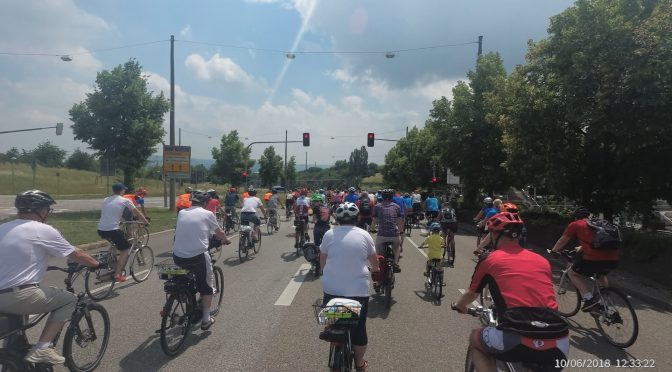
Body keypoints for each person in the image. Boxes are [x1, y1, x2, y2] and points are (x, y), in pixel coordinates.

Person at [454, 212, 569, 371]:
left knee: (475, 339)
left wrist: (460, 306)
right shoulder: (542, 261)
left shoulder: (490, 259)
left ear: (495, 234)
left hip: (517, 336)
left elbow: (471, 294)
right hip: (559, 342)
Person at [0, 190, 101, 365]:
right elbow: (75, 254)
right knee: (69, 300)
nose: (48, 213)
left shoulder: (3, 227)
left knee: (18, 326)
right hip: (16, 296)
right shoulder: (42, 230)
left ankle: (15, 351)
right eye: (47, 209)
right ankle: (43, 349)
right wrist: (96, 264)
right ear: (40, 210)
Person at [319, 202, 379, 372]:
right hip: (358, 292)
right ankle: (359, 364)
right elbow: (374, 263)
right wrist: (374, 270)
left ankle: (333, 330)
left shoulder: (329, 234)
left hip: (332, 289)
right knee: (359, 329)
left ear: (336, 218)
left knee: (334, 322)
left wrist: (327, 272)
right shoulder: (364, 235)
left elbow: (322, 261)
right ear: (358, 218)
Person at [173, 190, 231, 331]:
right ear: (205, 203)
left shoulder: (182, 213)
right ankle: (206, 319)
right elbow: (219, 233)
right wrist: (225, 240)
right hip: (197, 256)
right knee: (207, 287)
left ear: (192, 202)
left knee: (184, 278)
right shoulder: (208, 214)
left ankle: (183, 293)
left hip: (178, 255)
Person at [551, 207, 619, 312]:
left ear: (575, 217)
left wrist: (554, 251)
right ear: (587, 216)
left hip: (593, 260)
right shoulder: (596, 225)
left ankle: (589, 300)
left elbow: (563, 240)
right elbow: (595, 243)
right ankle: (604, 303)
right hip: (613, 259)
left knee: (572, 273)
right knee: (601, 275)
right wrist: (581, 248)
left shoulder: (575, 224)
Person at [97, 182, 149, 282]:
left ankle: (111, 260)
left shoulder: (106, 199)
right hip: (112, 229)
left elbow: (108, 213)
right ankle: (117, 274)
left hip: (101, 229)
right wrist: (146, 222)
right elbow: (137, 213)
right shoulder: (125, 200)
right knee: (125, 249)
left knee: (116, 242)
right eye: (124, 190)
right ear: (122, 190)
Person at [372, 189, 403, 273]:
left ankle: (380, 267)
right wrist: (401, 231)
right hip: (394, 234)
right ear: (392, 197)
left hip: (382, 235)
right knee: (396, 247)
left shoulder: (377, 206)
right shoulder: (396, 207)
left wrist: (372, 229)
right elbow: (400, 221)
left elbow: (374, 220)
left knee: (379, 253)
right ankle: (396, 263)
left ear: (382, 197)